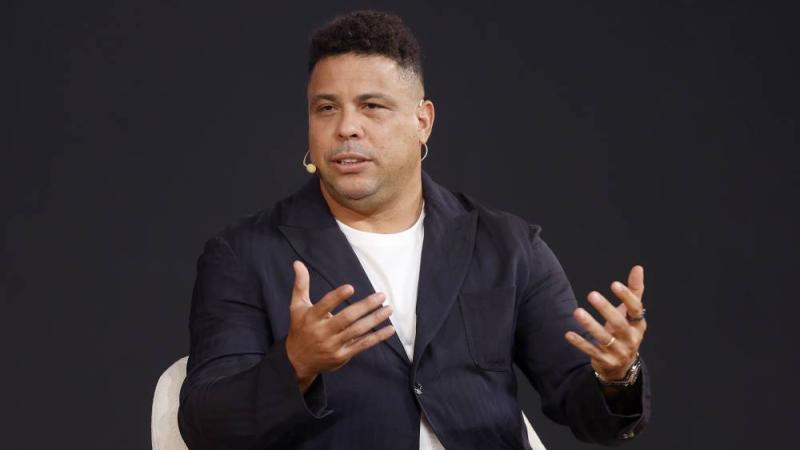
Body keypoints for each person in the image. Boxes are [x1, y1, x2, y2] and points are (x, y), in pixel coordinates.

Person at [178, 10, 651, 450]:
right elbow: (204, 425)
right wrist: (295, 364)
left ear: (422, 121)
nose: (346, 128)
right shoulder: (245, 255)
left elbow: (589, 411)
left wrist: (617, 376)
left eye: (372, 106)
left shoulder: (507, 247)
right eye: (326, 108)